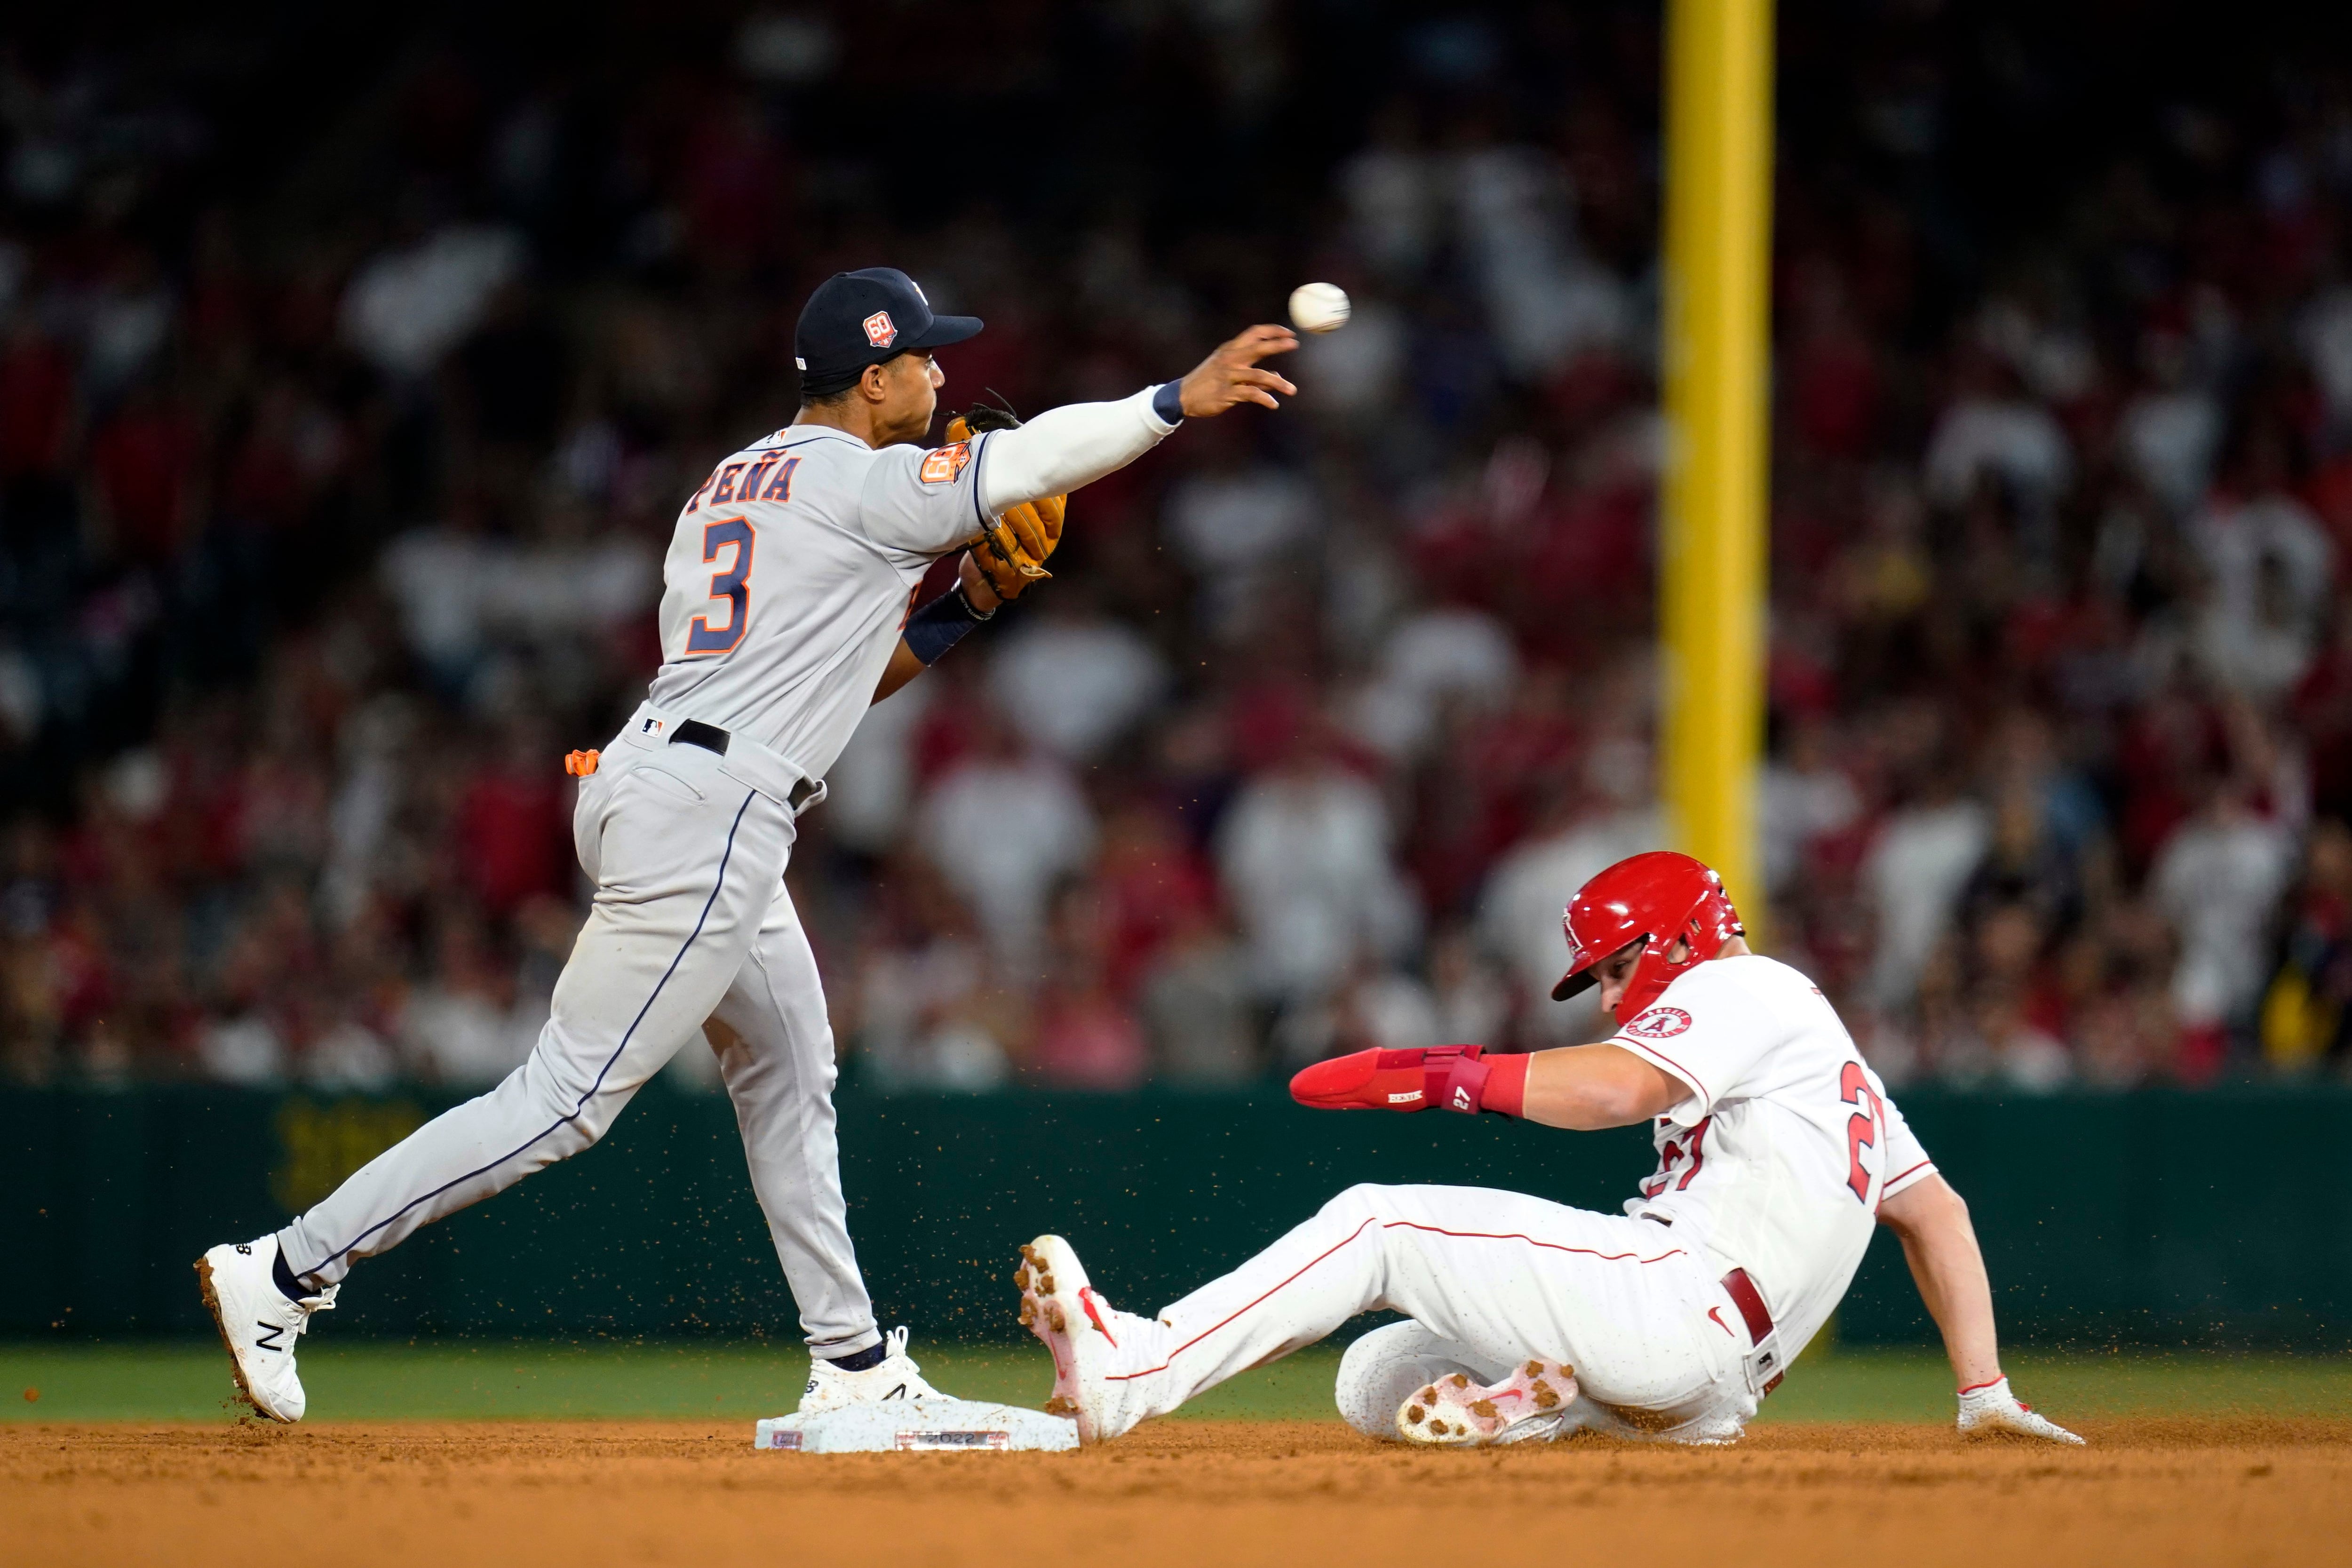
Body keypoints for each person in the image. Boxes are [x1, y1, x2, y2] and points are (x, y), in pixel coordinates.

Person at [195, 265, 1300, 1422]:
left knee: (788, 1071)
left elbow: (828, 683)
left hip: (669, 777)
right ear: (873, 381)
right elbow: (1030, 461)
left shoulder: (732, 482)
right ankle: (282, 1269)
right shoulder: (865, 481)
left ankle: (857, 1369)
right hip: (713, 810)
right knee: (566, 1098)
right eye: (923, 357)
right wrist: (1175, 398)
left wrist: (963, 607)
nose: (941, 372)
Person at [1016, 850, 2081, 1448]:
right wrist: (1982, 1388)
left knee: (1377, 1219)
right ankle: (1538, 1401)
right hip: (1706, 1398)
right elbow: (1936, 1214)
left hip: (1680, 1300)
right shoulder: (1827, 1056)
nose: (1610, 995)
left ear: (1674, 942)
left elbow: (1621, 1085)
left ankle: (1137, 1367)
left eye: (1614, 969)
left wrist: (1452, 1073)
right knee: (1373, 1373)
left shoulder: (1743, 984)